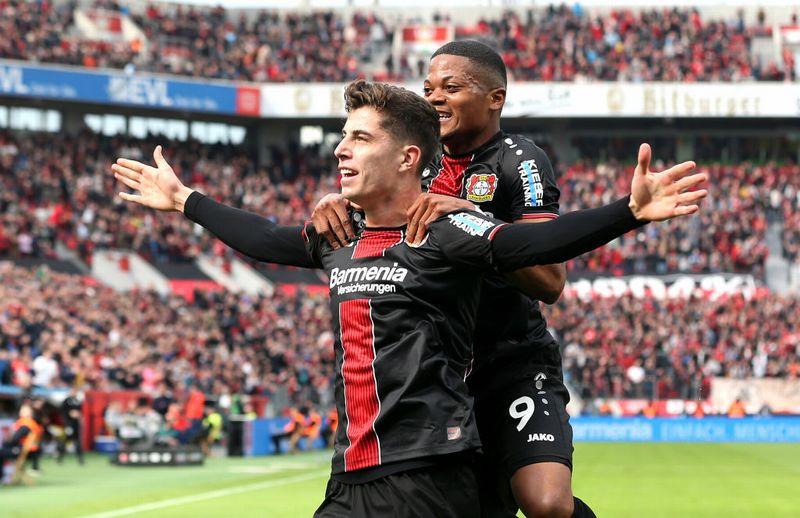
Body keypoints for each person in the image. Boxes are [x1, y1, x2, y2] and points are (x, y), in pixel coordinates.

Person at [110, 79, 706, 517]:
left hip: (429, 474)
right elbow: (264, 239)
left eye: (359, 138)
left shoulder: (445, 230)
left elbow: (529, 245)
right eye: (343, 137)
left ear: (407, 157)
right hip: (350, 476)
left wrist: (628, 212)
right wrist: (184, 199)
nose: (340, 150)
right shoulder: (339, 236)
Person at [309, 40, 658, 517]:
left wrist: (473, 219)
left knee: (547, 503)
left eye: (451, 87)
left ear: (495, 98)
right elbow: (371, 214)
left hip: (511, 361)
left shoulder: (520, 160)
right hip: (440, 375)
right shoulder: (417, 164)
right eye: (429, 88)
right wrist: (336, 200)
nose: (435, 97)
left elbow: (550, 281)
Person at [57, 386, 84, 465]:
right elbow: (62, 411)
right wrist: (69, 414)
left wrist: (78, 415)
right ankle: (60, 458)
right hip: (69, 424)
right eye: (73, 391)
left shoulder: (77, 401)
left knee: (77, 442)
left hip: (76, 424)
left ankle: (80, 459)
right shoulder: (67, 401)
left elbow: (80, 411)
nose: (74, 393)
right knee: (65, 441)